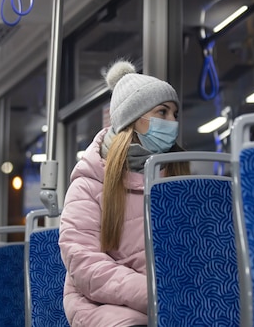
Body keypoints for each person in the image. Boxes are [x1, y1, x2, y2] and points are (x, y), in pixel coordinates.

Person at [58, 60, 190, 327]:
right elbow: (84, 262)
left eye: (175, 115)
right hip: (102, 304)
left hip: (173, 301)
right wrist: (153, 292)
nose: (172, 122)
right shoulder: (90, 183)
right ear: (132, 120)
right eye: (162, 112)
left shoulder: (176, 176)